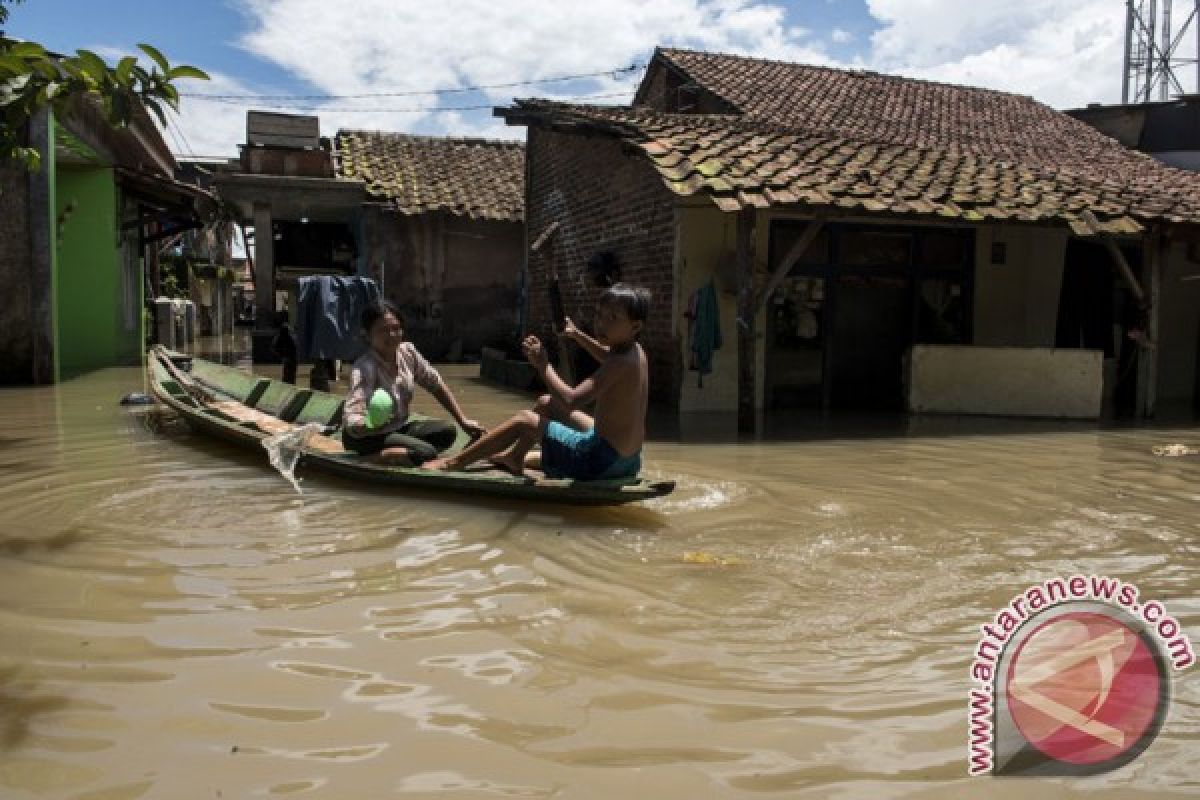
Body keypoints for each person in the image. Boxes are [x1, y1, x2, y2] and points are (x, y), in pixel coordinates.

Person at [427, 284, 649, 480]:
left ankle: (452, 463)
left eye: (612, 318)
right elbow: (606, 355)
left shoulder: (619, 364)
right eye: (600, 314)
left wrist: (544, 365)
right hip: (628, 460)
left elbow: (572, 400)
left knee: (524, 419)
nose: (601, 323)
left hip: (600, 462)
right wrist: (576, 335)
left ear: (635, 327)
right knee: (546, 403)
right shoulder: (634, 352)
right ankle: (515, 457)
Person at [342, 300, 485, 464]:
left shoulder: (408, 353)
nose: (392, 335)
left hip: (397, 428)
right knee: (426, 452)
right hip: (365, 437)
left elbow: (436, 385)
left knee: (448, 431)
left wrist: (463, 421)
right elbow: (351, 417)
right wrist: (370, 425)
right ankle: (374, 458)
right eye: (383, 330)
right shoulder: (364, 368)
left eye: (396, 328)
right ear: (367, 335)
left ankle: (406, 453)